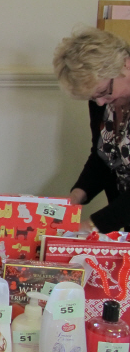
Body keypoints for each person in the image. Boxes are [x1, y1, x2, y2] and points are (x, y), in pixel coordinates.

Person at [54, 26, 130, 233]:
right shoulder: (103, 102)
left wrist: (93, 225)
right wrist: (76, 196)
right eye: (92, 97)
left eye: (104, 92)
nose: (100, 103)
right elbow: (104, 157)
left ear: (125, 65)